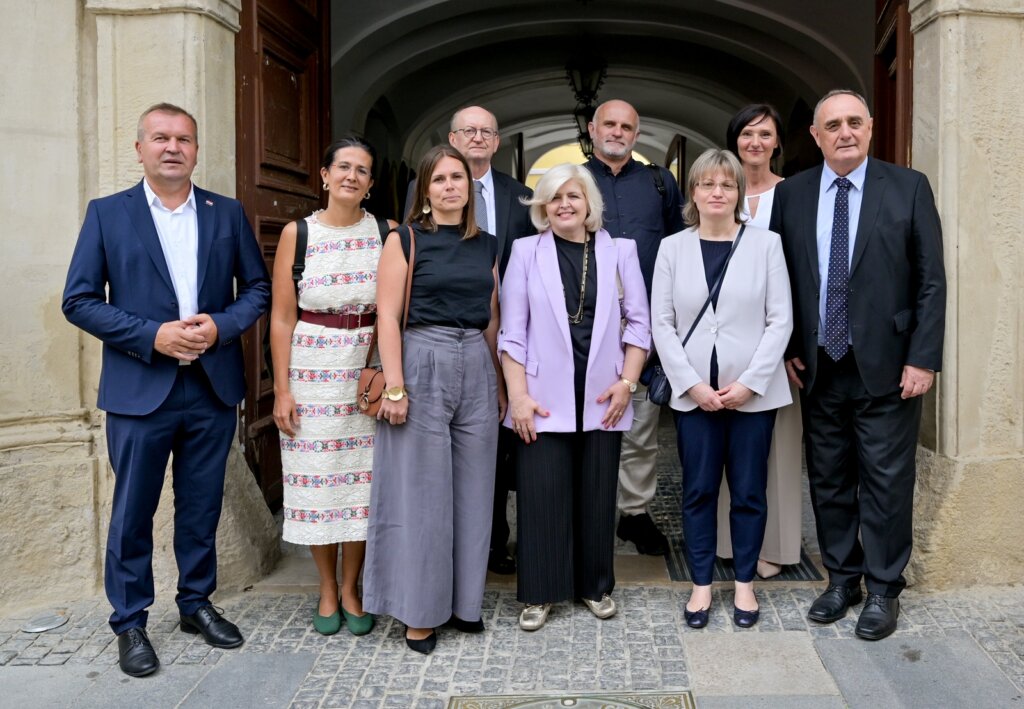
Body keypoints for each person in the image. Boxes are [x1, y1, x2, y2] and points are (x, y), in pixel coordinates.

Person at [62, 103, 270, 677]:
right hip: (139, 389)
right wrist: (152, 336)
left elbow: (256, 288)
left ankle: (195, 603)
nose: (172, 147)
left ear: (197, 150)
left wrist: (220, 327)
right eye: (160, 138)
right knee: (133, 510)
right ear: (140, 148)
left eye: (184, 138)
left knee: (200, 505)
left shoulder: (226, 213)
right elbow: (78, 300)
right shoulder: (108, 214)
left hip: (210, 386)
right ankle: (130, 621)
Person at [771, 90, 946, 640]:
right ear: (816, 137)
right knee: (828, 478)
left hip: (891, 366)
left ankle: (884, 588)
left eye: (853, 122)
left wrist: (923, 357)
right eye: (832, 125)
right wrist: (789, 347)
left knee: (887, 481)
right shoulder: (793, 195)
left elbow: (931, 280)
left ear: (870, 129)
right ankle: (841, 579)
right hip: (821, 364)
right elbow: (783, 279)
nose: (844, 132)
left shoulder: (908, 187)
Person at [363, 145, 506, 655]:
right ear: (424, 190)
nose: (451, 186)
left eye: (458, 178)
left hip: (476, 362)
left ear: (470, 186)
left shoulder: (487, 244)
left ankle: (465, 604)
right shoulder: (404, 239)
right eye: (440, 179)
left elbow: (492, 316)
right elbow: (386, 316)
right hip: (423, 357)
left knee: (475, 492)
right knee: (423, 496)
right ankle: (420, 613)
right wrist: (395, 386)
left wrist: (502, 383)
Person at [499, 164, 650, 631]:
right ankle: (540, 592)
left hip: (606, 393)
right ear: (542, 206)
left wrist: (627, 383)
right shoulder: (525, 251)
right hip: (541, 397)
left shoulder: (620, 251)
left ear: (589, 204)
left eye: (574, 195)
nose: (565, 204)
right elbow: (511, 333)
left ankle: (595, 585)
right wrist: (517, 396)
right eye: (555, 197)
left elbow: (640, 324)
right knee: (542, 494)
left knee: (598, 494)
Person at [651, 149, 792, 629]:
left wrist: (750, 383)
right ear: (693, 192)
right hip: (695, 397)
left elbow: (780, 320)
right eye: (707, 184)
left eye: (727, 186)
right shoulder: (672, 248)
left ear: (738, 194)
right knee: (698, 491)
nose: (717, 193)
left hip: (753, 394)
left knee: (750, 490)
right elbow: (662, 324)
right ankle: (701, 584)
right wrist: (690, 385)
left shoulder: (766, 244)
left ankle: (746, 584)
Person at [270, 137, 396, 637]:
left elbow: (397, 311)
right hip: (311, 370)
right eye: (343, 167)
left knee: (362, 487)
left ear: (370, 184)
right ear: (323, 175)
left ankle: (352, 587)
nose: (352, 176)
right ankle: (325, 587)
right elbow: (281, 319)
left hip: (365, 370)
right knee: (318, 483)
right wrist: (281, 389)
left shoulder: (388, 232)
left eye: (362, 170)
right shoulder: (296, 234)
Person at [405, 105, 533, 574]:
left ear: (497, 142)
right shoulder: (416, 213)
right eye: (468, 131)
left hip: (499, 336)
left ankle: (492, 546)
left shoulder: (521, 197)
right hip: (433, 343)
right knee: (433, 461)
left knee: (491, 453)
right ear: (452, 139)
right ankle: (435, 562)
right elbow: (409, 276)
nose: (478, 138)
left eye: (486, 132)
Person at [584, 99, 686, 556]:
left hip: (642, 324)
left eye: (627, 126)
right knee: (585, 422)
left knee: (641, 425)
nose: (618, 132)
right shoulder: (574, 181)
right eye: (610, 123)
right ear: (592, 128)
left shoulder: (660, 183)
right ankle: (587, 513)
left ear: (636, 134)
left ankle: (635, 513)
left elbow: (679, 246)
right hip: (583, 324)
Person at [716, 104, 803, 579]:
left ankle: (777, 546)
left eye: (764, 134)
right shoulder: (718, 188)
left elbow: (805, 273)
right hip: (723, 338)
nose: (754, 142)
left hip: (776, 335)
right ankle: (729, 542)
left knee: (779, 447)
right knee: (728, 443)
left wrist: (792, 348)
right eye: (746, 132)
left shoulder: (795, 194)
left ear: (777, 142)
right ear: (734, 139)